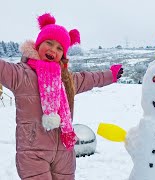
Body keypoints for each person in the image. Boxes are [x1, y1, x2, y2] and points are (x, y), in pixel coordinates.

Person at [0, 13, 123, 180]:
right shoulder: (21, 75)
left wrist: (111, 75)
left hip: (64, 151)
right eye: (49, 43)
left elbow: (90, 78)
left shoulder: (67, 80)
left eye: (59, 48)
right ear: (37, 45)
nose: (53, 50)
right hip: (33, 152)